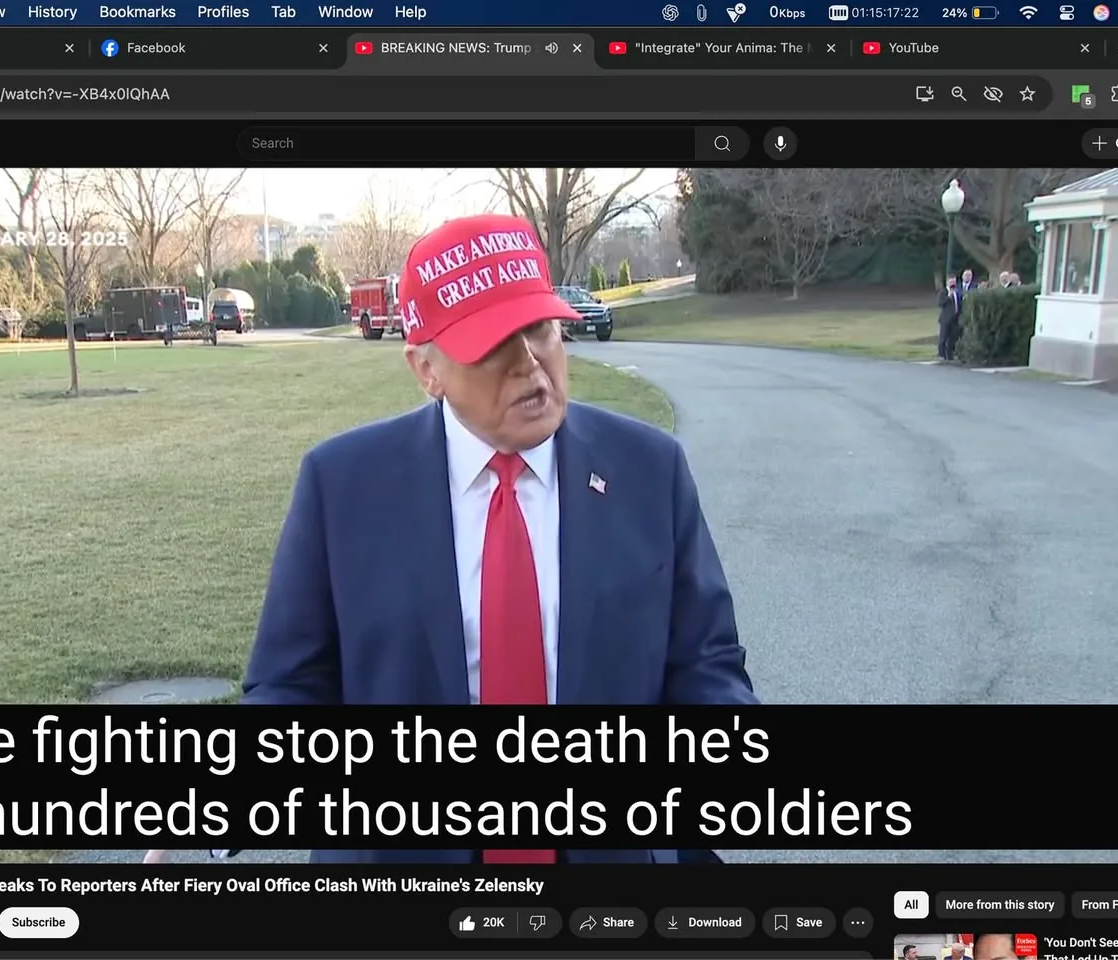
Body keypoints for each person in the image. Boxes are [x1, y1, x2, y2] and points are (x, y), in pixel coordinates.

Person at [235, 212, 758, 866]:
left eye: (539, 329)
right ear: (426, 369)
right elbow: (290, 683)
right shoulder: (342, 486)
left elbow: (705, 664)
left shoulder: (649, 470)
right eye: (491, 346)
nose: (531, 367)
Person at [937, 276, 960, 361]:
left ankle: (950, 355)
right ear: (947, 282)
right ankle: (941, 355)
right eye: (951, 282)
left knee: (952, 338)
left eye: (954, 282)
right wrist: (948, 297)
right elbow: (940, 304)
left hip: (955, 319)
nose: (952, 284)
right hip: (945, 319)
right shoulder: (943, 292)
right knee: (943, 338)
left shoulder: (957, 292)